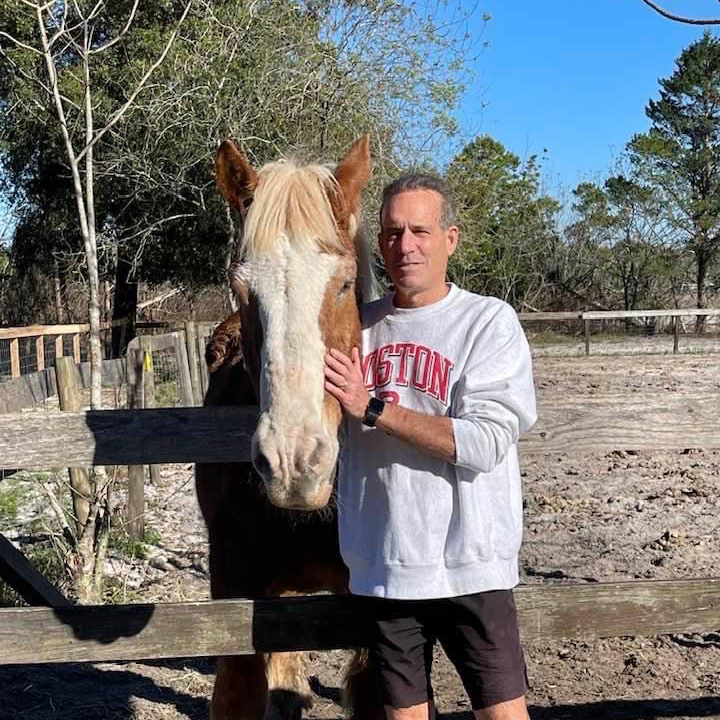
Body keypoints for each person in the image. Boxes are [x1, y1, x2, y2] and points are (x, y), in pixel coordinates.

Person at [323, 175, 537, 720]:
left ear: (451, 239)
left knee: (504, 715)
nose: (405, 246)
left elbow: (484, 441)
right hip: (386, 566)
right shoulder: (355, 327)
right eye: (392, 233)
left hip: (471, 563)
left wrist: (373, 408)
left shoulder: (488, 322)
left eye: (420, 230)